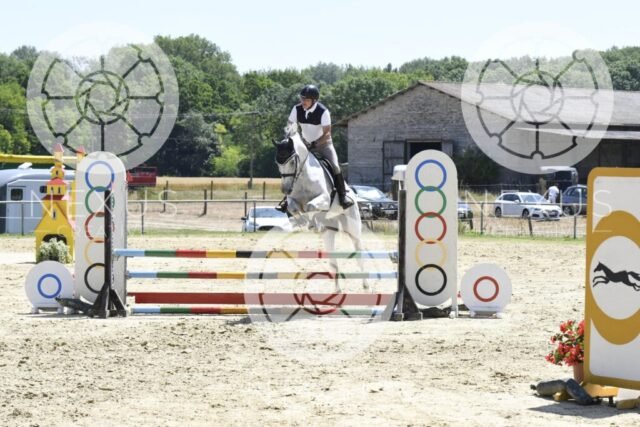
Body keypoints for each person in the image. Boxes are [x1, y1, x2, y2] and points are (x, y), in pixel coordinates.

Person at [283, 84, 353, 209]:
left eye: (306, 99)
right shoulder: (296, 109)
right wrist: (290, 137)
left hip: (323, 144)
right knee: (292, 166)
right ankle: (286, 199)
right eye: (302, 98)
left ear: (314, 101)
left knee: (335, 166)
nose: (303, 102)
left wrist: (315, 143)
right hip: (305, 144)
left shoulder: (323, 111)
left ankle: (343, 196)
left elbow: (327, 134)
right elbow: (290, 125)